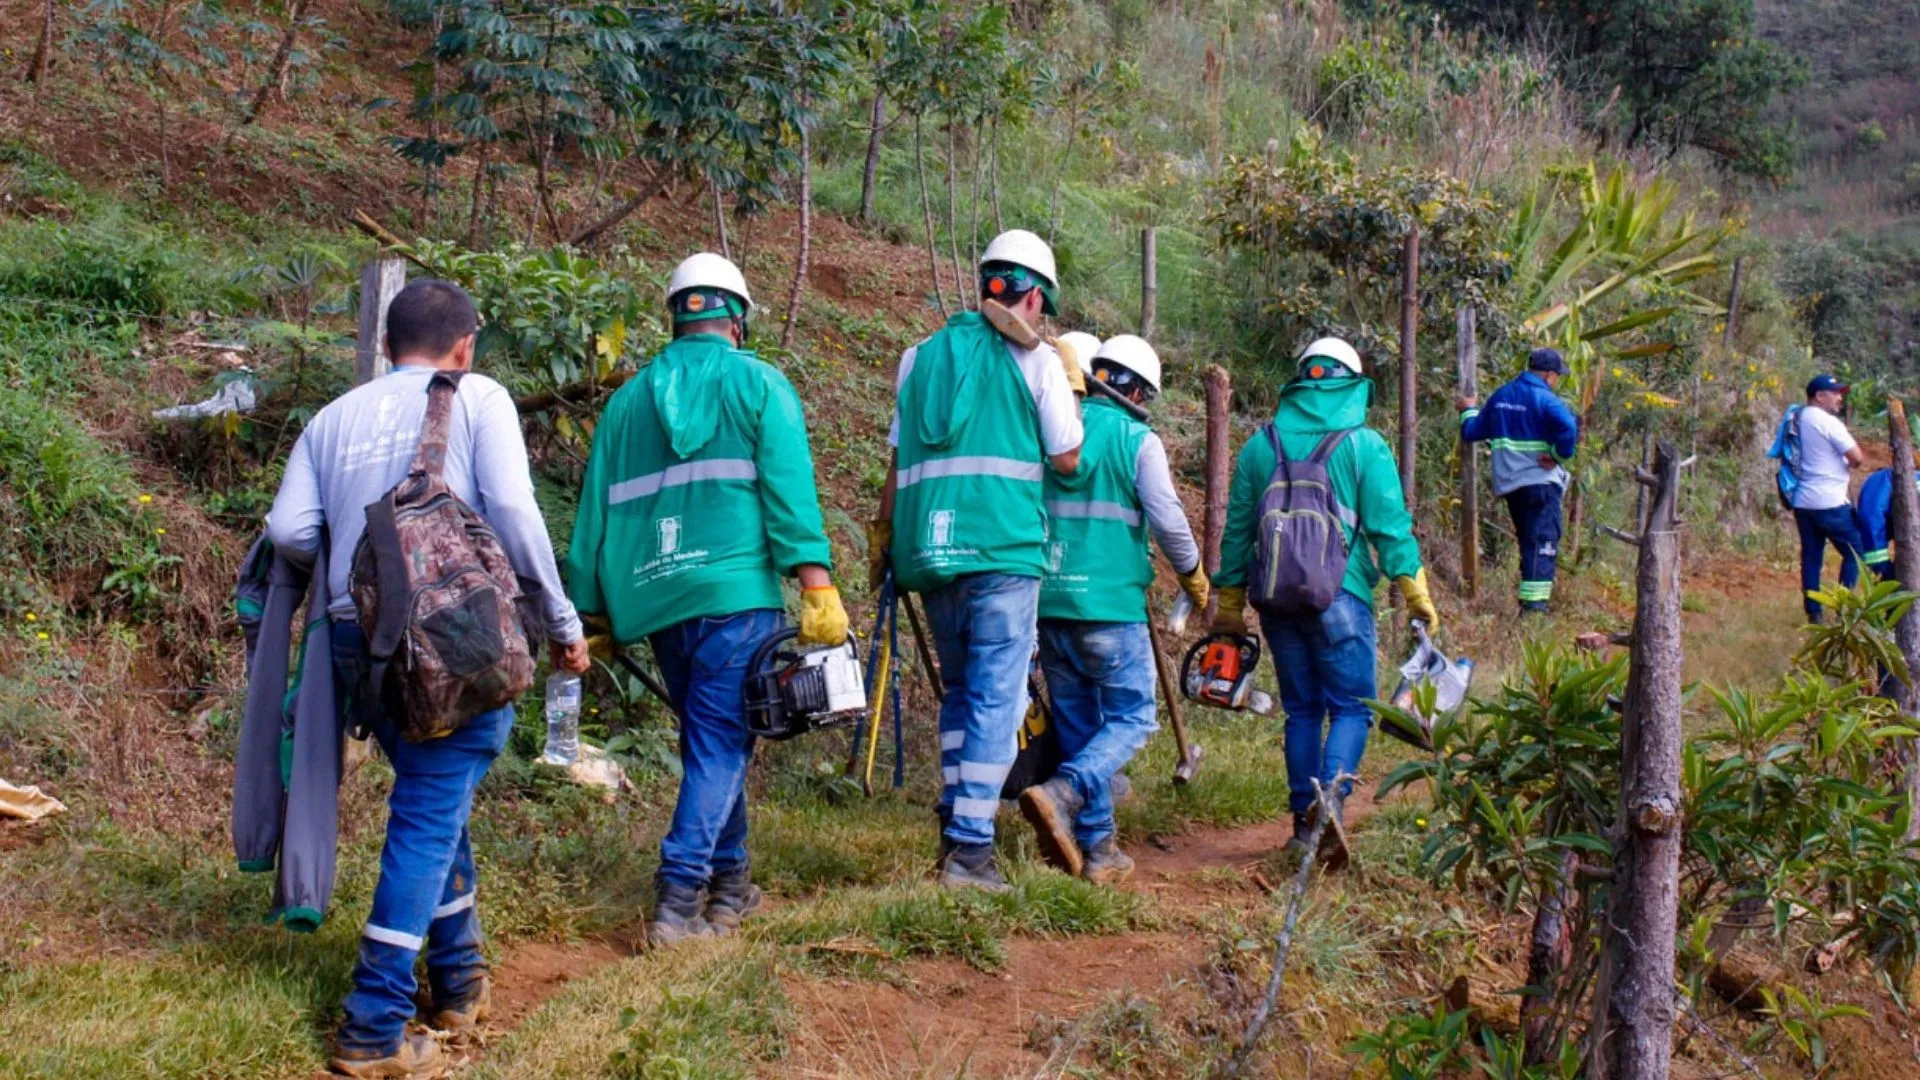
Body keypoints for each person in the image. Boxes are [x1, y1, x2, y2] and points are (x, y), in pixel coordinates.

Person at [266, 279, 590, 1079]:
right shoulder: (478, 396)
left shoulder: (331, 418)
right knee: (425, 813)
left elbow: (289, 532)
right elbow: (514, 512)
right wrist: (560, 621)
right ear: (464, 345)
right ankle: (374, 1023)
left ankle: (456, 979)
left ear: (384, 347)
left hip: (352, 642)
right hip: (451, 639)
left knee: (433, 800)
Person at [566, 253, 846, 945]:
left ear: (675, 316)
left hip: (656, 599)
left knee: (711, 736)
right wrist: (816, 583)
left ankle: (731, 886)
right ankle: (678, 897)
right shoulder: (759, 384)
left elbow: (592, 518)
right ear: (737, 319)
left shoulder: (626, 402)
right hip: (734, 593)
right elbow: (788, 492)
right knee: (722, 743)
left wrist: (591, 607)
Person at [869, 228, 1085, 892]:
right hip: (1001, 554)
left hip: (931, 554)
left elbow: (899, 461)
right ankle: (969, 851)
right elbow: (1068, 458)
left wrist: (884, 534)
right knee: (997, 698)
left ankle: (954, 820)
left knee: (963, 694)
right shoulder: (1040, 363)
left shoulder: (919, 357)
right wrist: (1070, 393)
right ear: (1036, 297)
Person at [1210, 337, 1438, 847]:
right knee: (1353, 708)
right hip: (1342, 597)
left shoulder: (1260, 445)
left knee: (1304, 711)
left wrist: (1229, 601)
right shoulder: (1363, 445)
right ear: (1352, 383)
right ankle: (1329, 805)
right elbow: (1390, 528)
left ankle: (1300, 825)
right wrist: (1414, 589)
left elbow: (1237, 530)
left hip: (1275, 601)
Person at [1019, 335, 1208, 885]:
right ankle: (1064, 791)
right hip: (1110, 609)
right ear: (1136, 390)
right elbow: (1169, 522)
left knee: (1081, 722)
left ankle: (1099, 848)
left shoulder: (1053, 432)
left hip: (1050, 604)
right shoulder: (1136, 439)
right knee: (1132, 717)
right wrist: (1193, 574)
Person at [1455, 347, 1580, 614]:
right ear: (1548, 375)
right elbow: (1569, 427)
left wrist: (1468, 409)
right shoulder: (1544, 399)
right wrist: (1558, 455)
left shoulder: (1502, 396)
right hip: (1541, 484)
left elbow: (1472, 431)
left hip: (1512, 487)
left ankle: (1529, 607)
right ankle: (1534, 611)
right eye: (1557, 376)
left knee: (1528, 542)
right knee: (1543, 543)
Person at [1770, 374, 1865, 622]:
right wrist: (1847, 462)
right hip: (1830, 502)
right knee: (1857, 552)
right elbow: (1857, 457)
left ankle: (1814, 614)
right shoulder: (1829, 423)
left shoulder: (1798, 417)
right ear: (1820, 396)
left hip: (1803, 501)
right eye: (1835, 393)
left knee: (1811, 556)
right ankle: (1844, 609)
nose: (1839, 398)